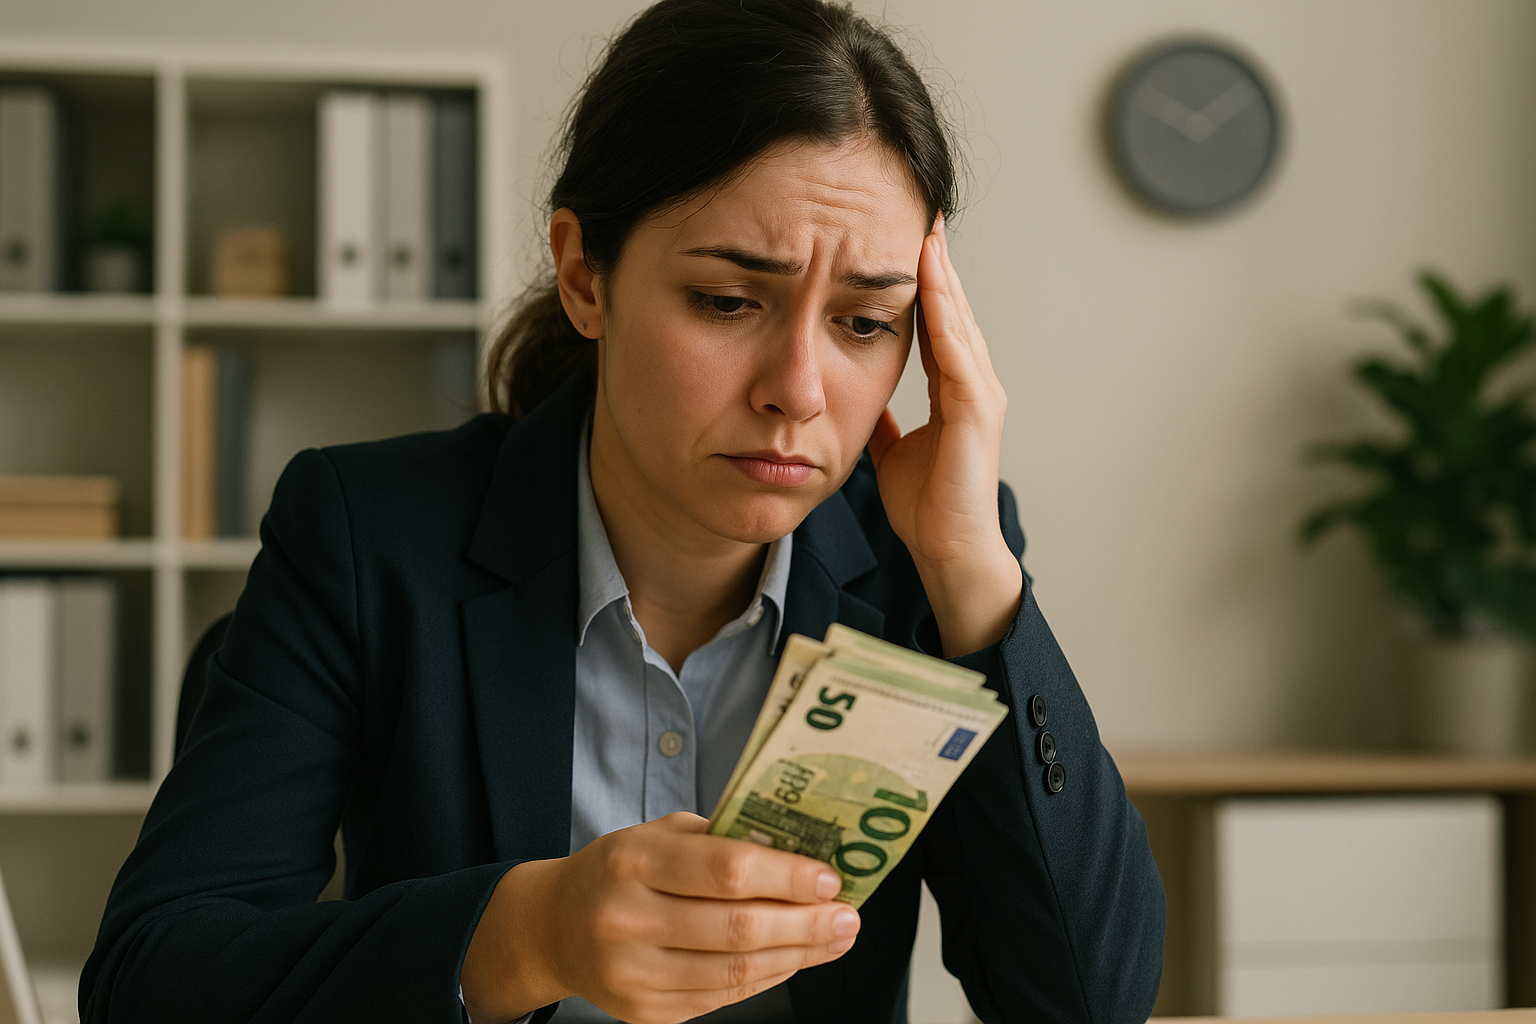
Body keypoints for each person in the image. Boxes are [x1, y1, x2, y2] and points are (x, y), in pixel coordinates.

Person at [82, 1, 1165, 1022]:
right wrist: (528, 933)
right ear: (584, 276)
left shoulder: (927, 557)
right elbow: (150, 979)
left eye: (866, 322)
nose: (798, 389)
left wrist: (975, 574)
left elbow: (1087, 1002)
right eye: (728, 301)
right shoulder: (368, 535)